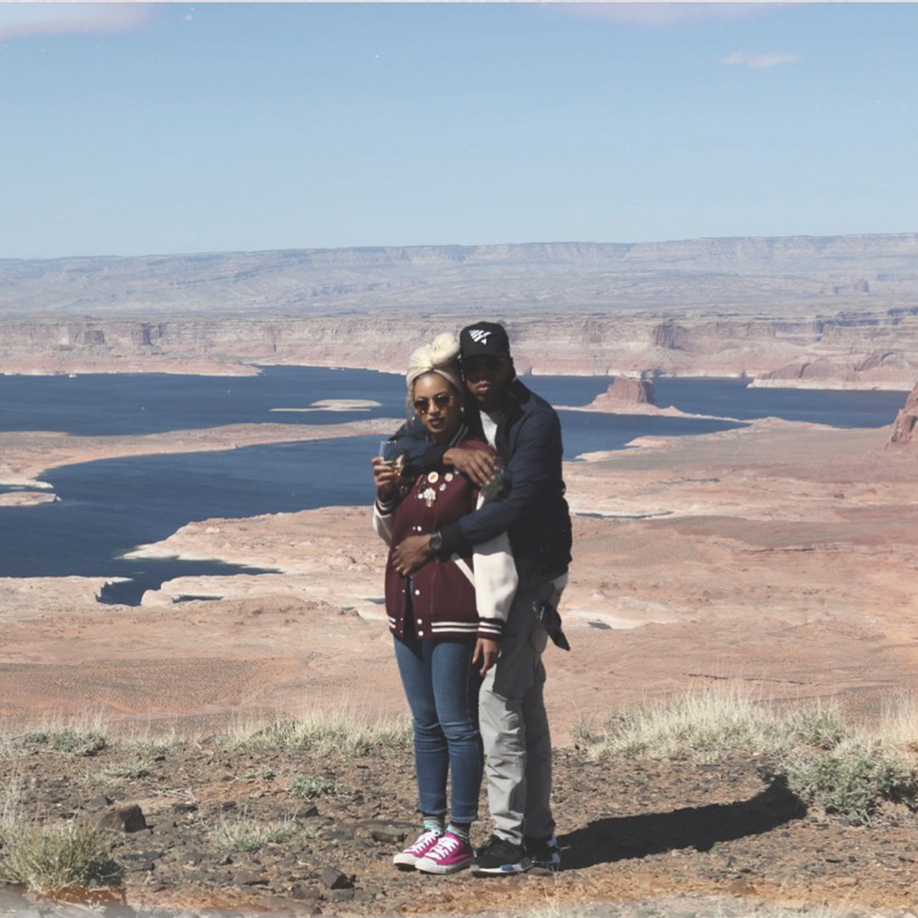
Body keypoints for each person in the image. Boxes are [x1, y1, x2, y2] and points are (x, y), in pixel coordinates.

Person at [390, 321, 573, 876]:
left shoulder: (535, 421)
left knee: (496, 700)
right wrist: (446, 459)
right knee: (523, 703)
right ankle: (538, 838)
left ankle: (511, 841)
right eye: (472, 369)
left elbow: (513, 507)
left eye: (490, 367)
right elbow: (405, 445)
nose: (481, 378)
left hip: (530, 570)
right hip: (497, 566)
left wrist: (438, 543)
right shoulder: (464, 409)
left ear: (510, 364)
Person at [371, 332, 518, 876]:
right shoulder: (406, 455)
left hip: (456, 609)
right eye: (422, 403)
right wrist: (386, 496)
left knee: (458, 724)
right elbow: (389, 532)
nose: (432, 411)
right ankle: (430, 826)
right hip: (406, 608)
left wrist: (491, 623)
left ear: (460, 399)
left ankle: (459, 833)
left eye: (442, 400)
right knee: (424, 723)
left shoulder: (479, 460)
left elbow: (494, 543)